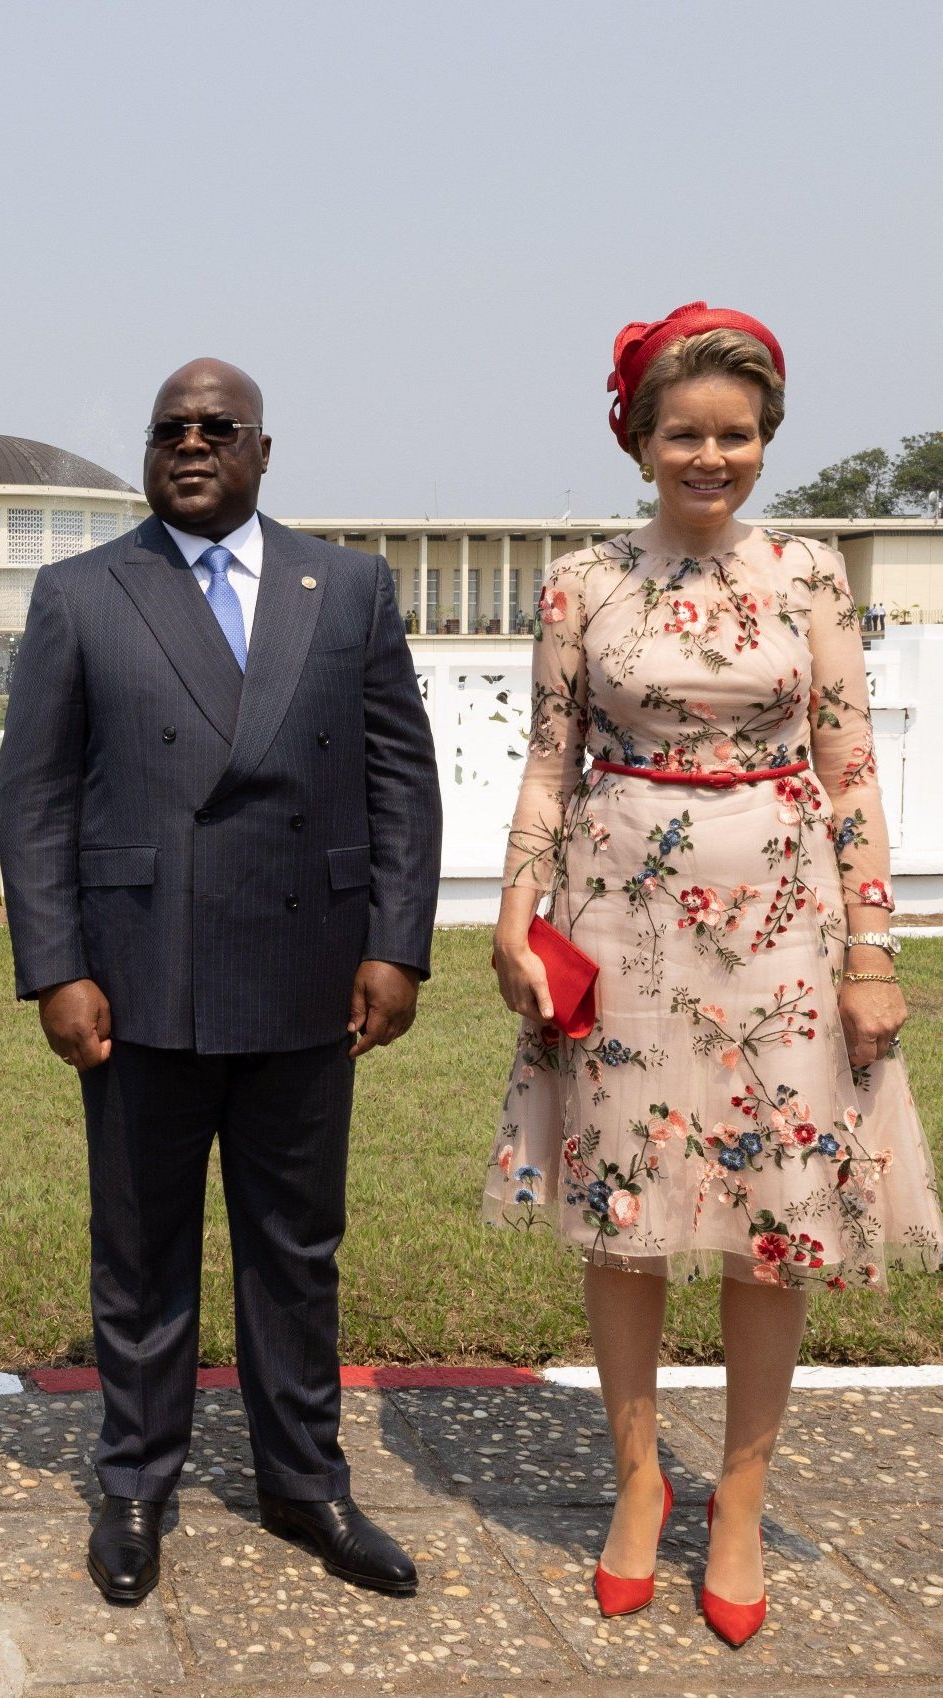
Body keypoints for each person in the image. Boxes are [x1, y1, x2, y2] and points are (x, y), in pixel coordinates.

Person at [486, 304, 943, 1647]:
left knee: (776, 1212)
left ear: (763, 440)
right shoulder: (579, 582)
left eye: (733, 433)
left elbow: (851, 769)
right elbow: (545, 761)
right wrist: (515, 918)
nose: (709, 454)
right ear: (637, 438)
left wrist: (872, 948)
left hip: (789, 932)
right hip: (619, 921)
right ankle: (637, 1480)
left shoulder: (810, 575)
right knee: (623, 1208)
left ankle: (736, 1495)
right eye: (683, 432)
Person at [0, 359, 442, 1605]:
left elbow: (401, 772)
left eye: (216, 428)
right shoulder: (82, 593)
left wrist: (396, 942)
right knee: (138, 1252)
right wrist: (56, 967)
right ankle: (136, 1481)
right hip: (139, 978)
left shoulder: (345, 584)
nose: (190, 445)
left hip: (308, 970)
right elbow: (32, 800)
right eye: (168, 429)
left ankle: (304, 1481)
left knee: (296, 1250)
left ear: (261, 446)